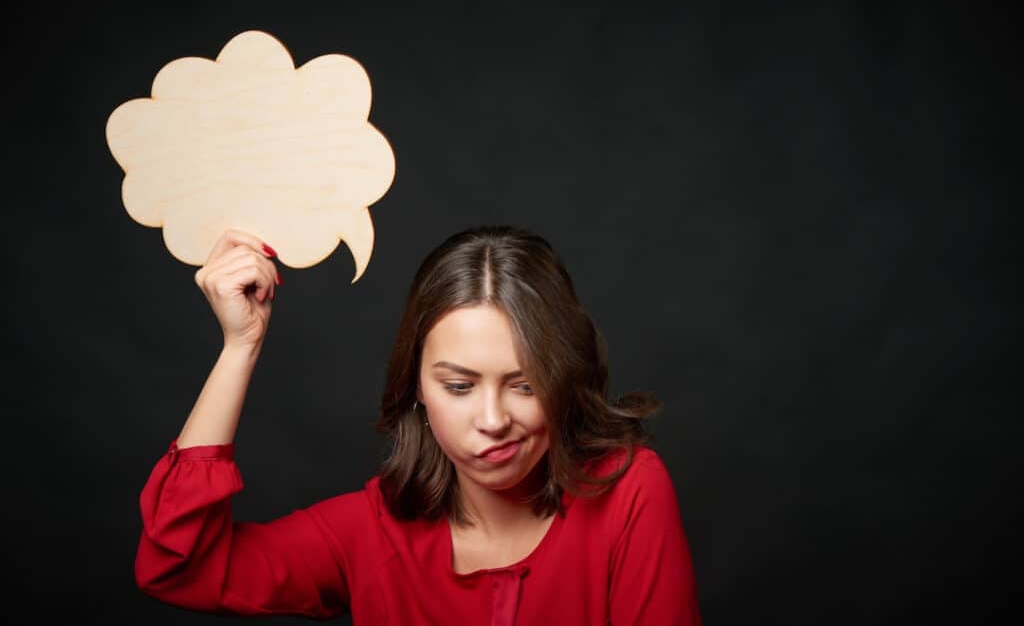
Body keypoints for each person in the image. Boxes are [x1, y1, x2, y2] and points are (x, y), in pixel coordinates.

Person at [135, 225, 702, 624]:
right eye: (458, 386)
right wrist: (241, 346)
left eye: (525, 385)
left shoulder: (628, 492)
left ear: (566, 381)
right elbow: (181, 570)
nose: (492, 420)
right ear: (417, 390)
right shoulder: (372, 528)